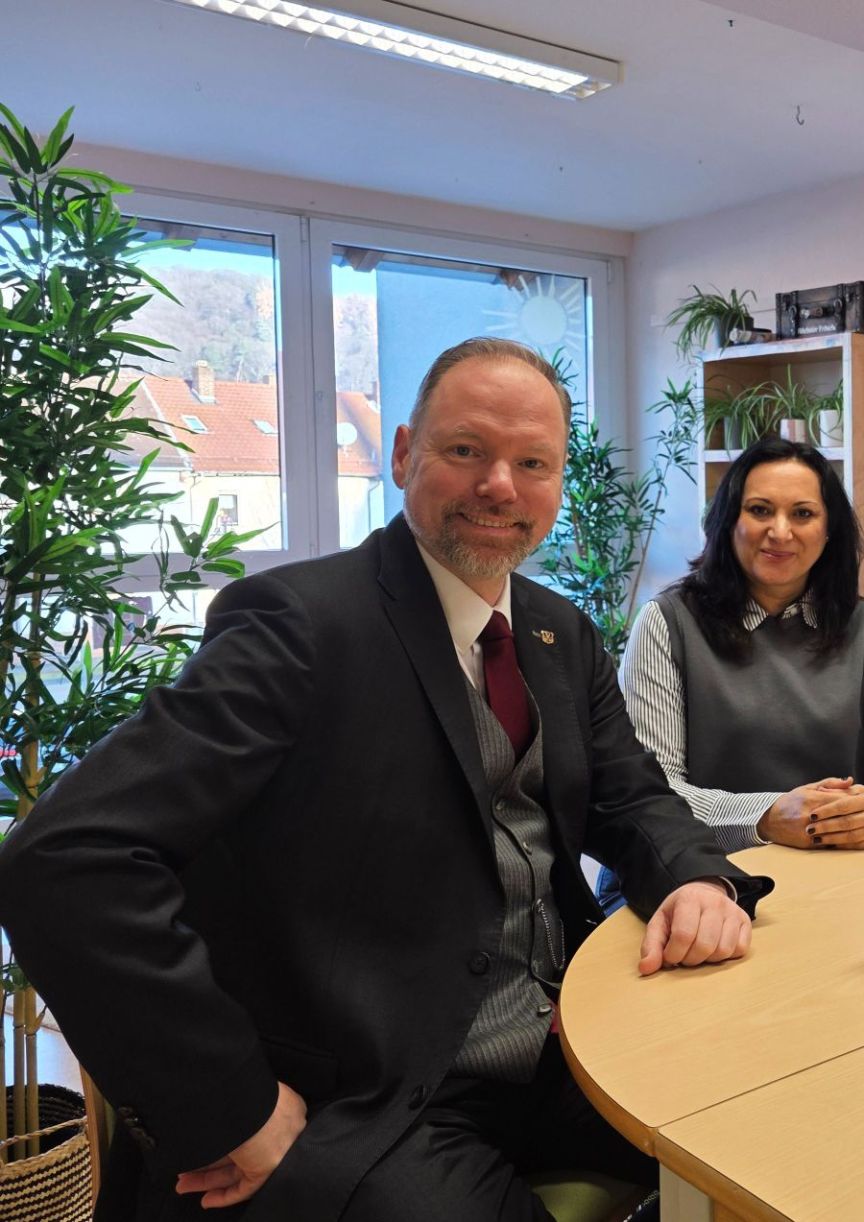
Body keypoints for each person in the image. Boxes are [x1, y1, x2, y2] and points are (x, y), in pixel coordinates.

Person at [0, 338, 772, 1220]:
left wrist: (697, 877)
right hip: (376, 1094)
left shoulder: (561, 634)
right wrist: (232, 1106)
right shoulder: (297, 627)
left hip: (566, 1042)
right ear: (403, 453)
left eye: (534, 463)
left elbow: (631, 797)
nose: (500, 487)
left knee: (758, 1140)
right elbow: (66, 860)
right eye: (466, 451)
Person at [608, 437, 864, 873]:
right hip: (696, 874)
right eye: (760, 510)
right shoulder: (666, 623)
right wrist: (768, 816)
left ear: (829, 532)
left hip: (833, 874)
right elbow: (654, 792)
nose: (781, 531)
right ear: (729, 521)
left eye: (803, 514)